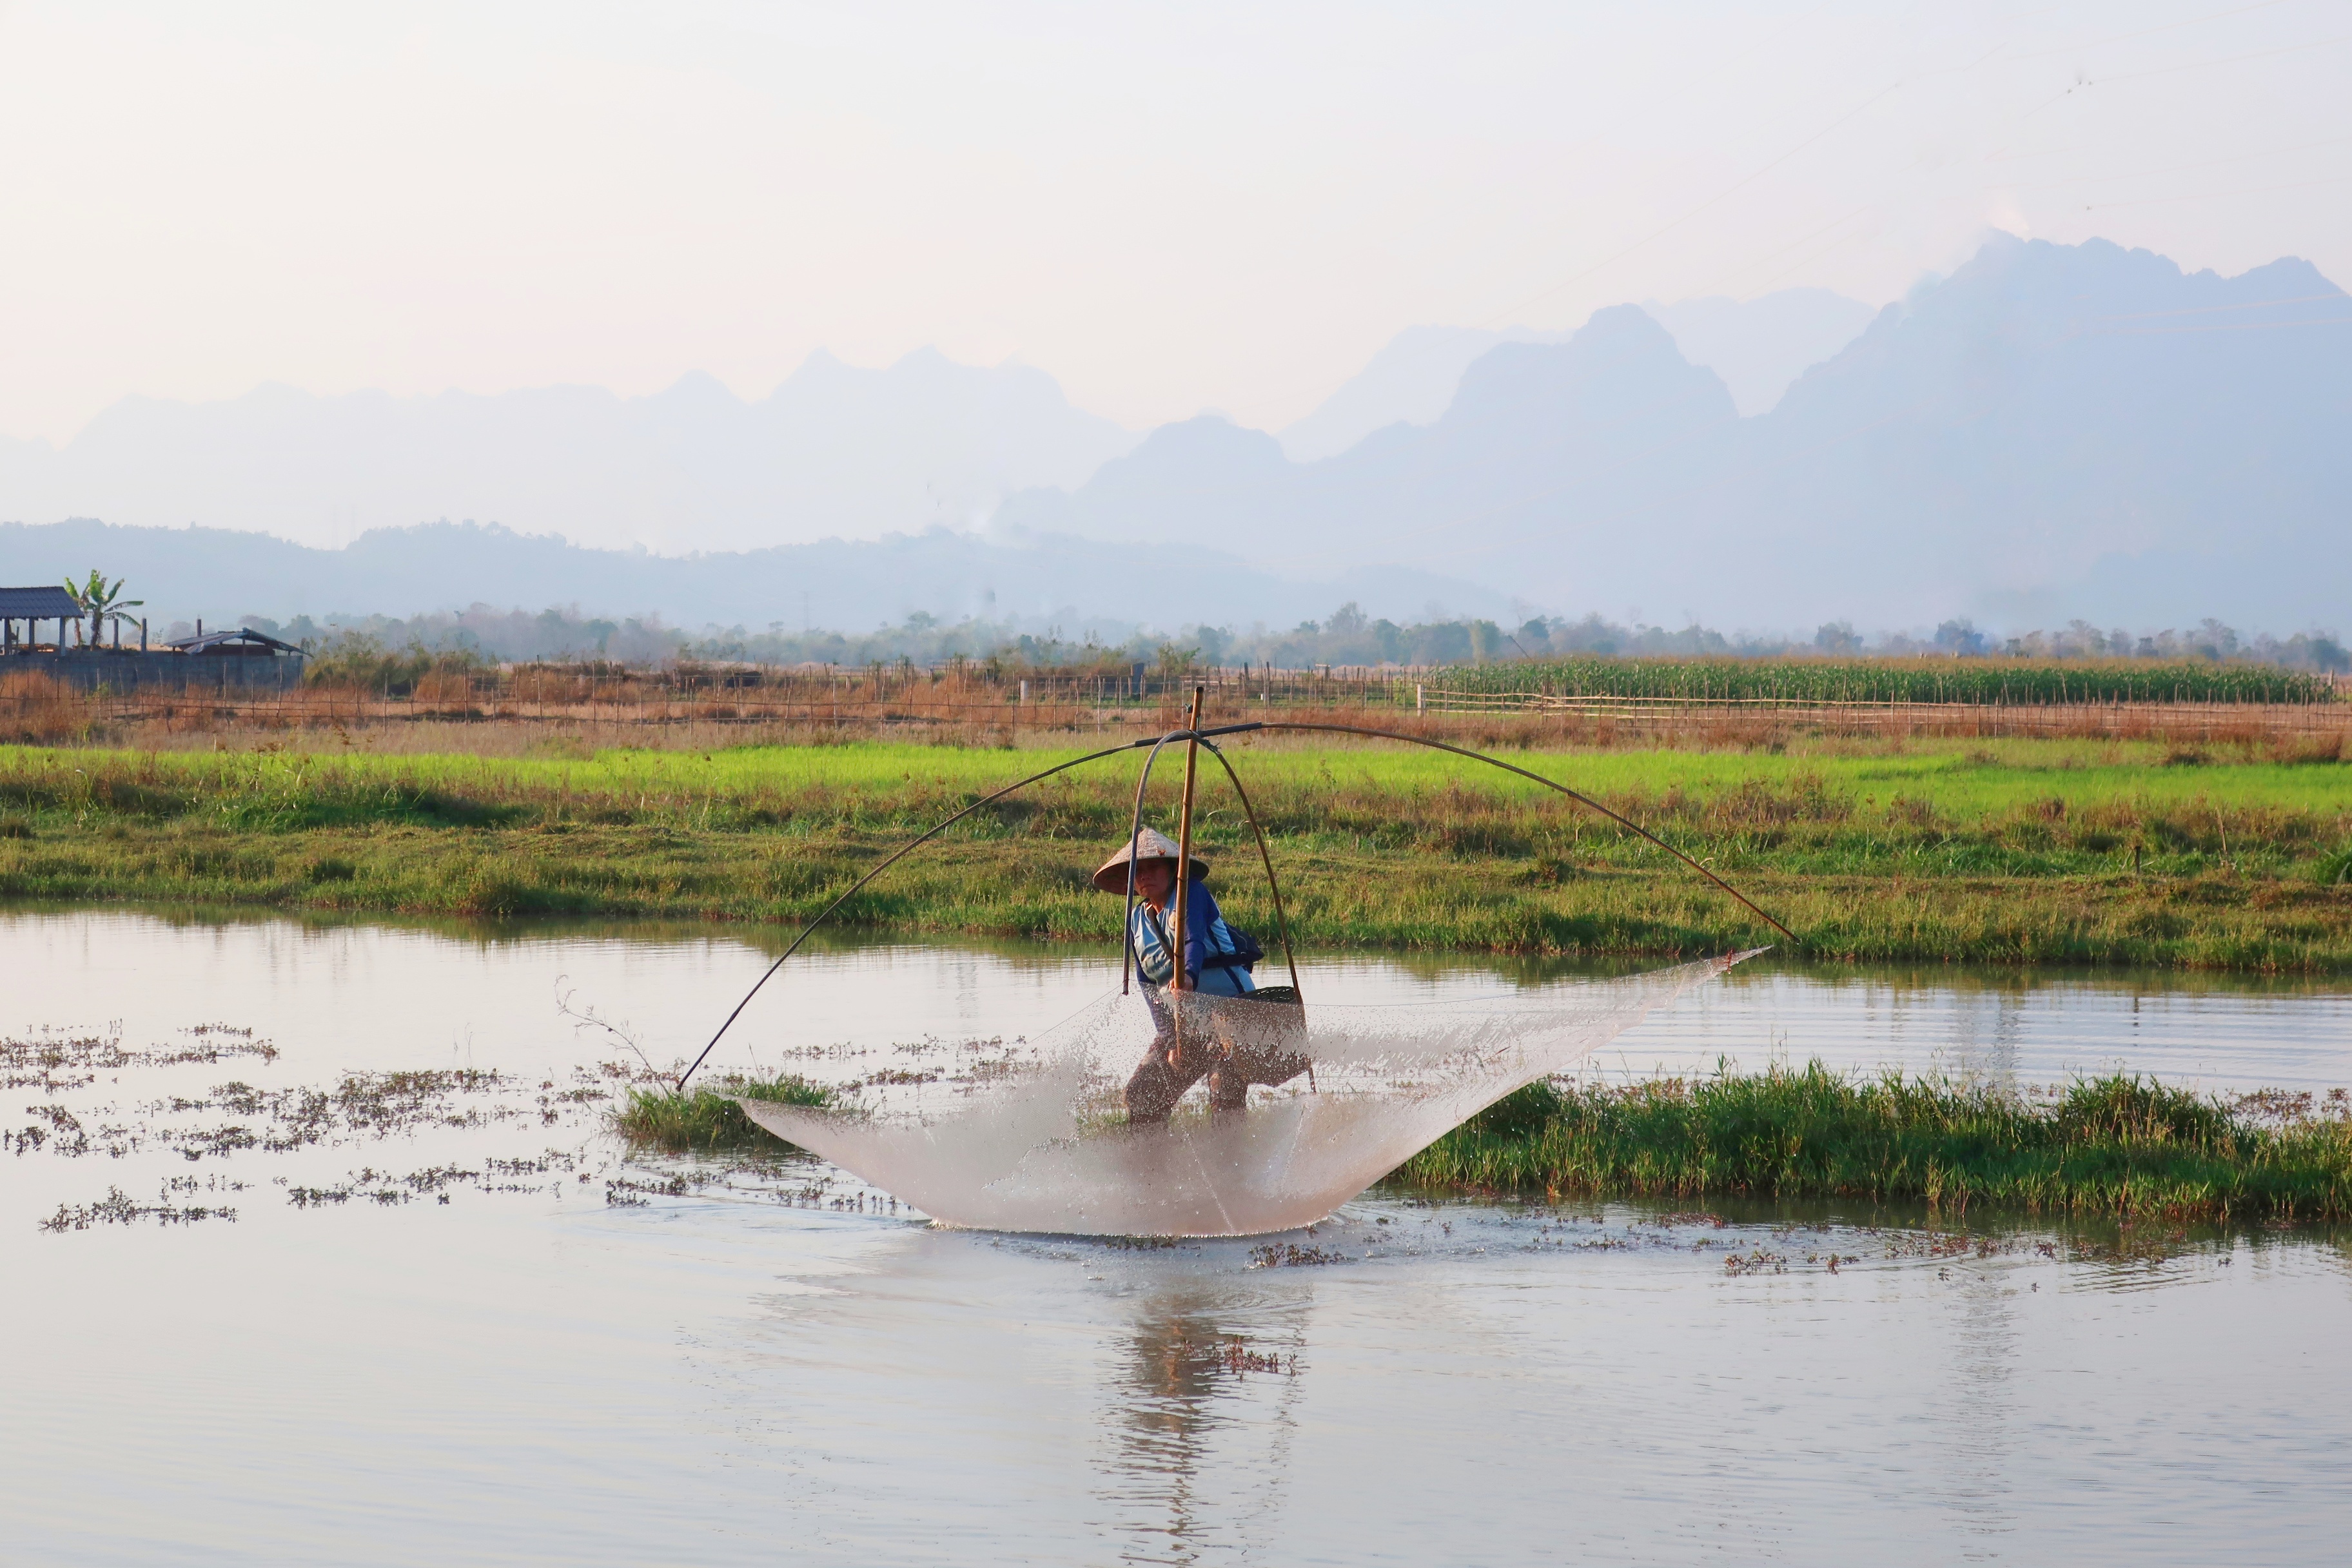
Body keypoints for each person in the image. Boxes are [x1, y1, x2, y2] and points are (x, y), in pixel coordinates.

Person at [1093, 830, 1306, 1122]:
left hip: (1232, 1014)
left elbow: (1192, 941)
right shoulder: (1137, 919)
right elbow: (1147, 984)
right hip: (1187, 1024)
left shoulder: (1190, 893)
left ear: (1172, 870)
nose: (1145, 876)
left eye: (1153, 867)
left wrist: (1189, 976)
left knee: (1224, 1092)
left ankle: (1234, 1163)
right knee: (1142, 1093)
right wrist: (1170, 1040)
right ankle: (1152, 1164)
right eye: (1138, 871)